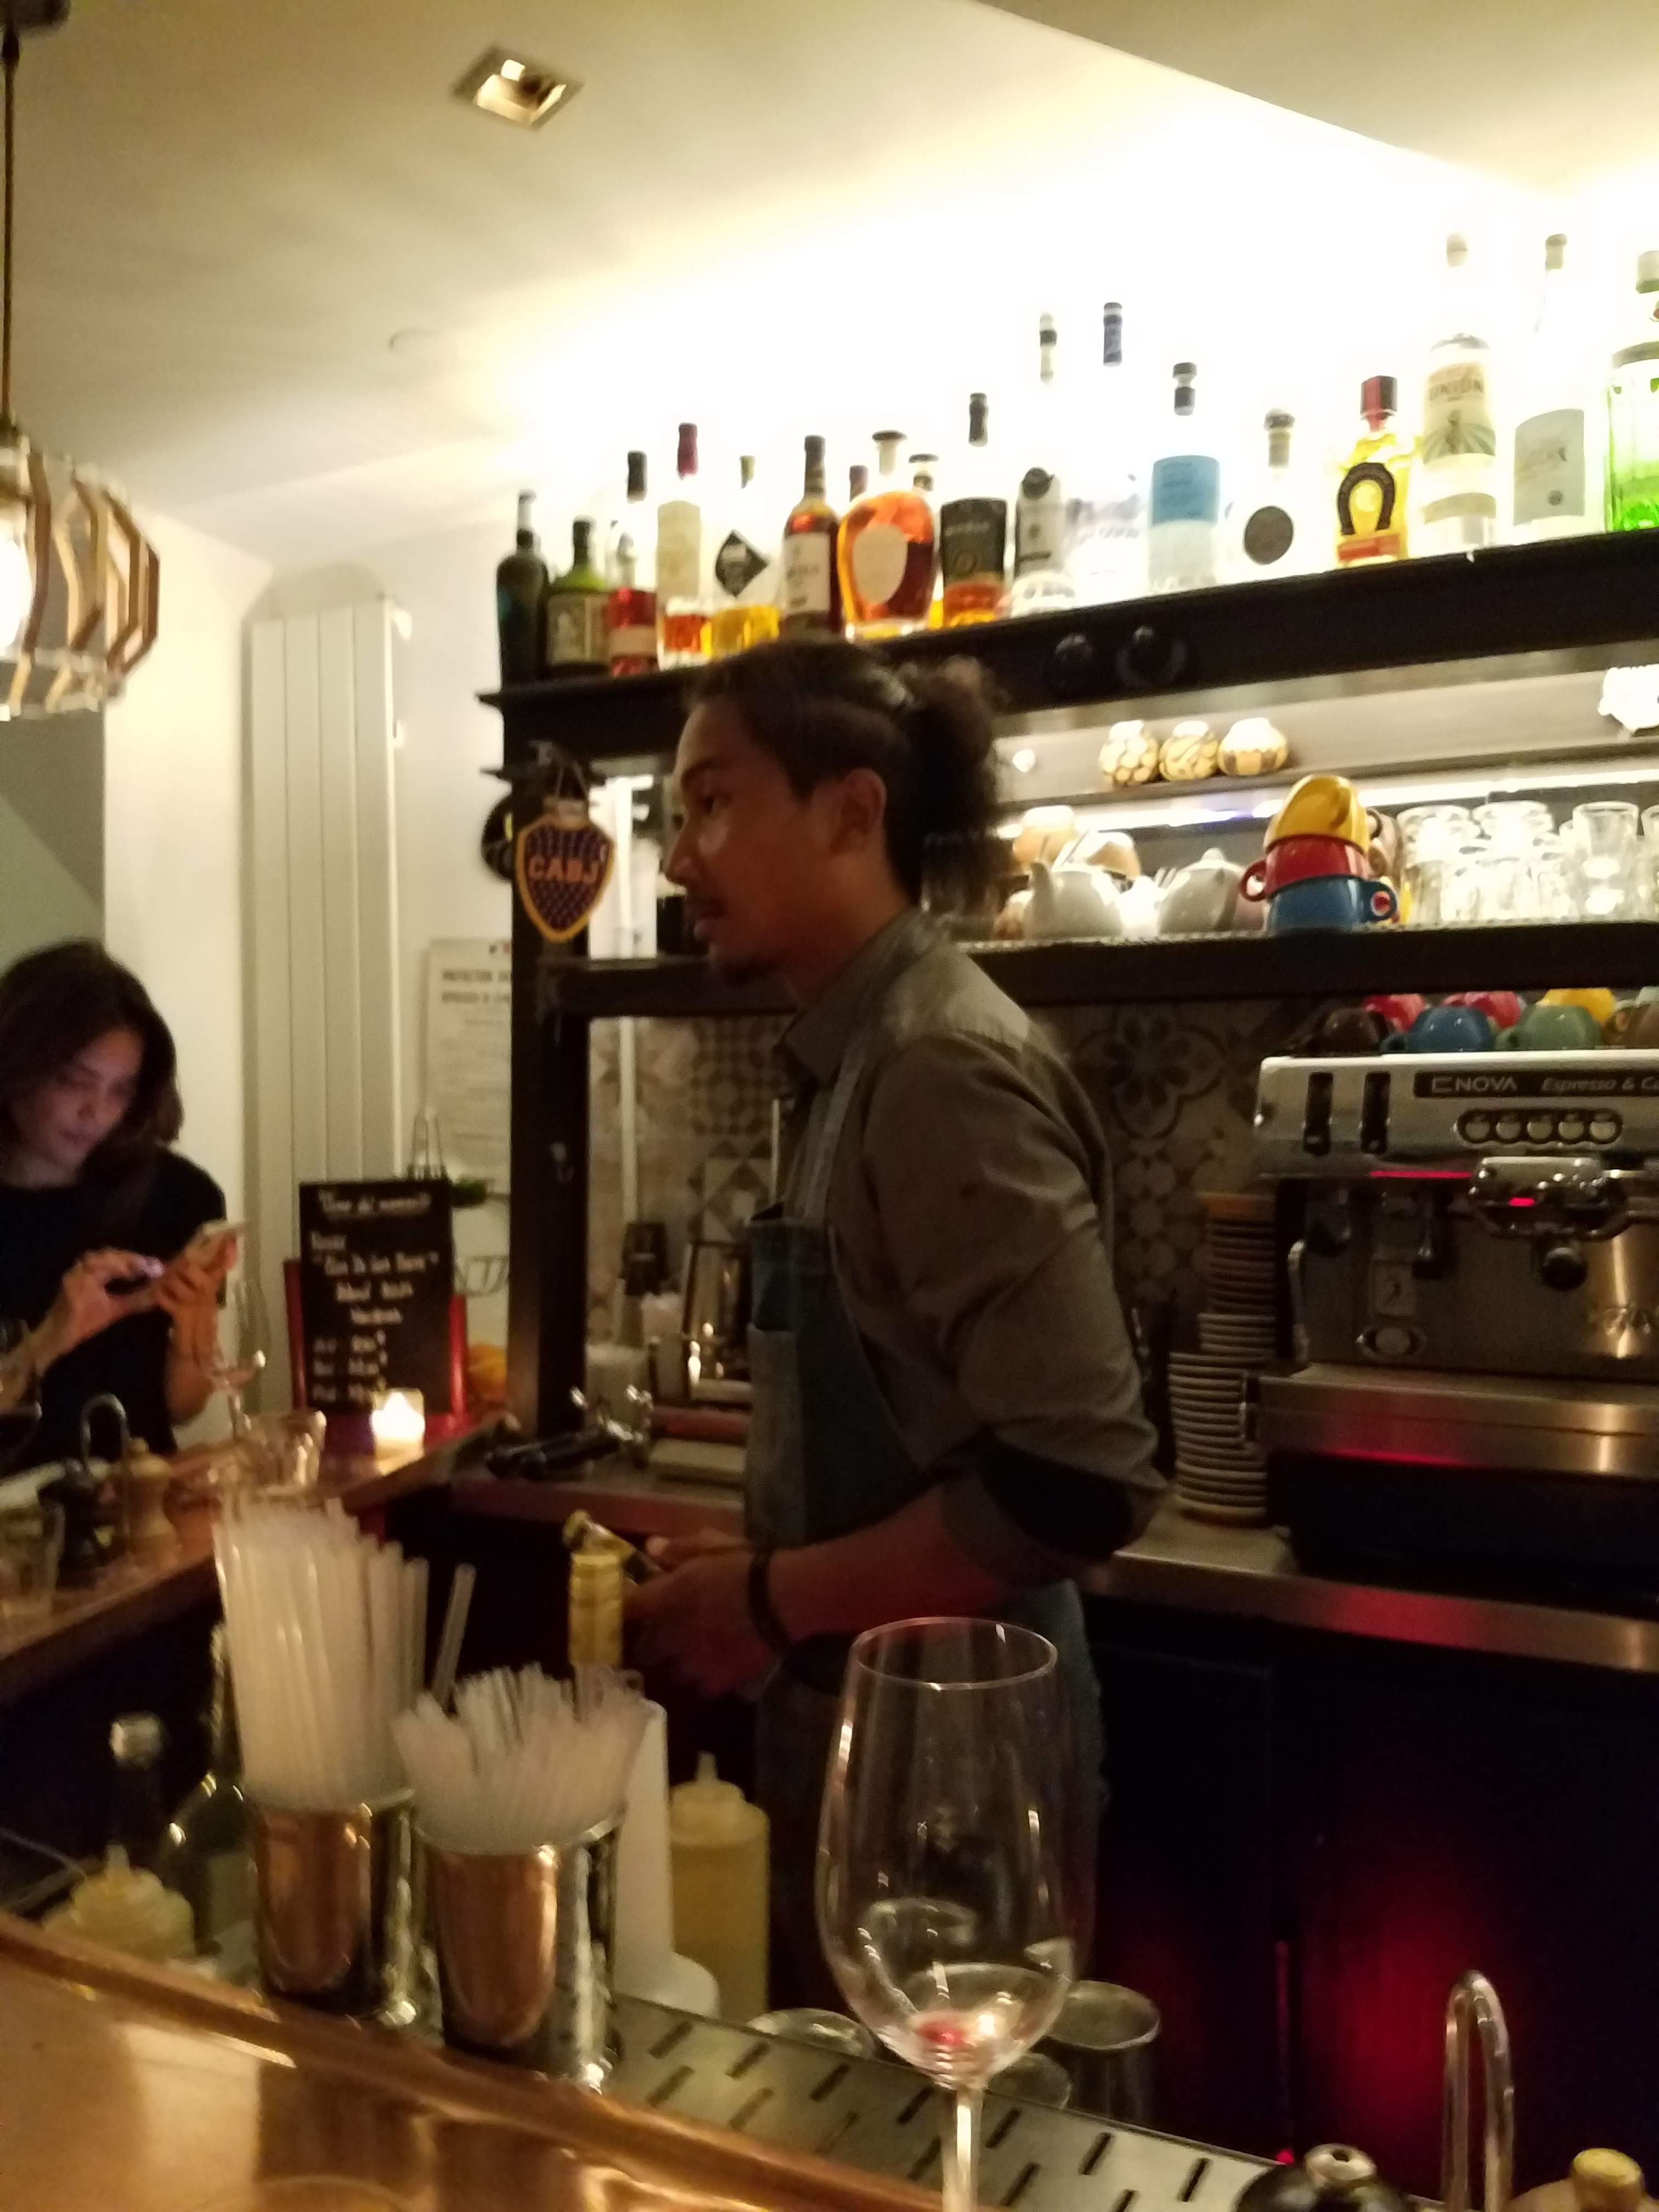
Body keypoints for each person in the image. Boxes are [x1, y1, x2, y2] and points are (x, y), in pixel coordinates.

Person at [626, 637, 1162, 1995]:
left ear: (852, 814)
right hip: (885, 1741)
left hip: (959, 1778)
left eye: (713, 804)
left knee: (942, 2117)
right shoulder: (851, 1054)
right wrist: (773, 1559)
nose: (679, 859)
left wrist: (767, 1598)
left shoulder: (935, 1063)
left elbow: (1077, 1479)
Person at [0, 941, 234, 1469]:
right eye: (74, 1082)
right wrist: (49, 1340)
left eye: (121, 1090)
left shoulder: (179, 1196)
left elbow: (182, 1407)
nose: (97, 1112)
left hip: (140, 1502)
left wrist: (191, 1321)